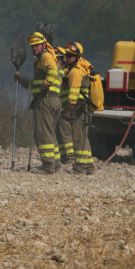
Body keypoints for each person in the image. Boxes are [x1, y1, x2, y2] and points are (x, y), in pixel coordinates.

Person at [15, 32, 62, 173]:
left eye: (36, 45)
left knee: (43, 134)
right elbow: (34, 85)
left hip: (45, 100)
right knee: (50, 133)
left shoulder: (45, 57)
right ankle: (55, 164)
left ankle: (48, 166)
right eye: (32, 46)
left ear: (43, 45)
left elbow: (53, 71)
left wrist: (47, 84)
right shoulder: (45, 57)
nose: (34, 49)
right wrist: (21, 80)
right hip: (53, 100)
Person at [62, 42, 95, 174]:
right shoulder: (77, 70)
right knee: (83, 137)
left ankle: (80, 166)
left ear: (77, 57)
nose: (67, 58)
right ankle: (88, 165)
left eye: (70, 56)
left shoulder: (75, 72)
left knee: (78, 137)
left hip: (78, 108)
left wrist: (67, 111)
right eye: (66, 55)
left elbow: (73, 96)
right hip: (83, 108)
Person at [55, 47, 74, 164]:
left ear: (63, 59)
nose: (56, 61)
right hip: (60, 105)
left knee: (65, 132)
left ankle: (70, 157)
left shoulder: (66, 72)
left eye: (57, 58)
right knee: (59, 132)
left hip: (67, 106)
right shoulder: (63, 70)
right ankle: (64, 157)